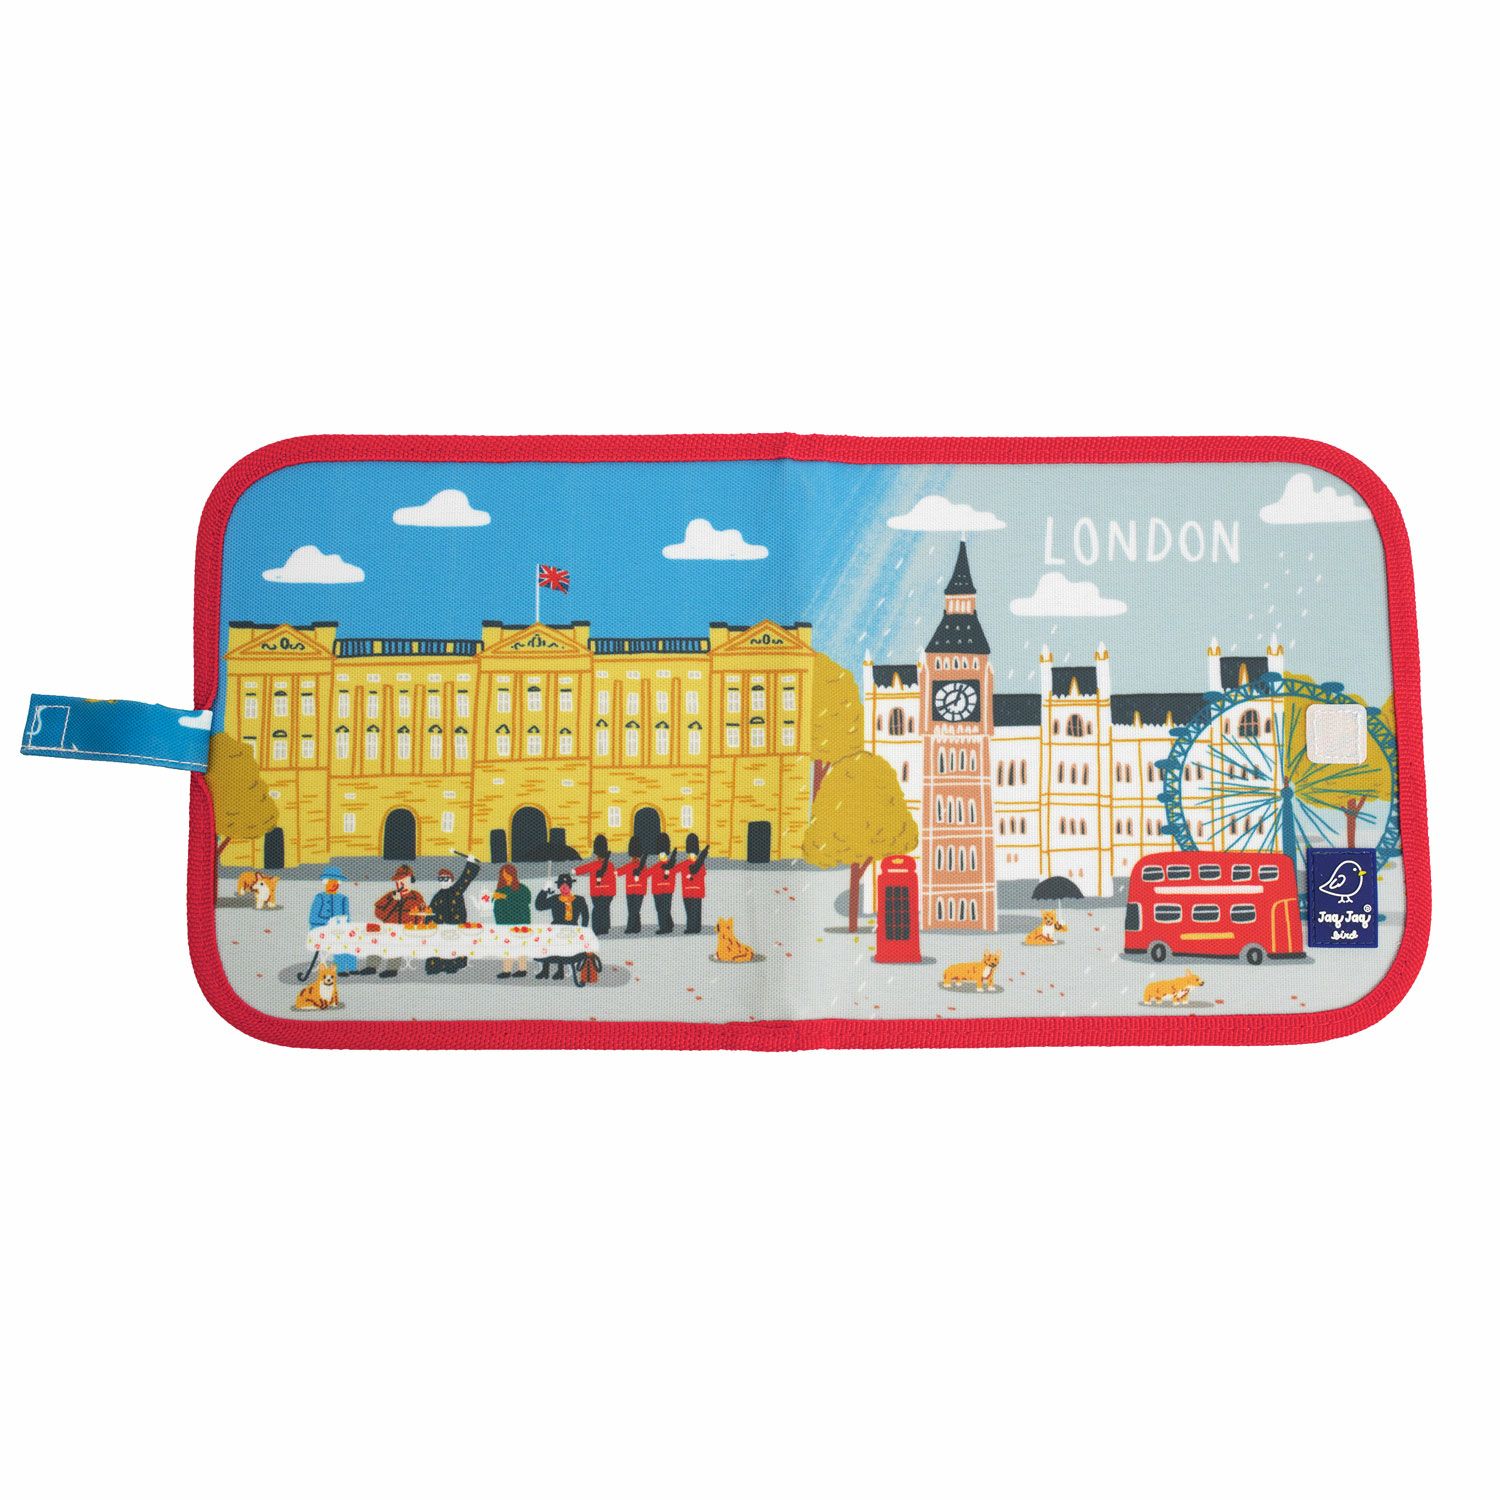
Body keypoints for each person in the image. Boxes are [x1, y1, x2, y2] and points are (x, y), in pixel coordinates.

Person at [425, 853, 482, 975]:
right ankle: (437, 966)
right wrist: (427, 922)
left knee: (454, 946)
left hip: (455, 926)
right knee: (439, 947)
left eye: (446, 879)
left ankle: (453, 965)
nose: (443, 881)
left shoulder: (456, 890)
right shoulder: (437, 895)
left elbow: (466, 878)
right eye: (440, 879)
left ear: (451, 880)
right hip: (439, 928)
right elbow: (430, 911)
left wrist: (471, 863)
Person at [369, 863, 428, 977]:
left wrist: (417, 924)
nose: (401, 885)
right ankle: (371, 966)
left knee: (395, 944)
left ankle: (392, 969)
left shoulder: (416, 896)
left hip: (408, 931)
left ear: (411, 880)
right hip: (389, 929)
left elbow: (422, 914)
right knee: (376, 940)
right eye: (398, 882)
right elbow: (379, 913)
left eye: (404, 881)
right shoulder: (390, 896)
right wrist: (394, 902)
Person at [534, 873, 589, 979]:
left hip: (572, 929)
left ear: (570, 886)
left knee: (563, 947)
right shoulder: (555, 899)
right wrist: (544, 891)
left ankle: (560, 971)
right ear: (558, 887)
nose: (564, 887)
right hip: (556, 928)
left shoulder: (579, 899)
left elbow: (585, 916)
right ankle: (545, 970)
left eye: (566, 885)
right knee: (546, 943)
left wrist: (583, 930)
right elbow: (539, 906)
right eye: (561, 885)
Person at [308, 866, 357, 975]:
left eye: (336, 882)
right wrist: (328, 922)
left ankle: (351, 967)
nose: (335, 884)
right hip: (321, 929)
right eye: (331, 881)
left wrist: (345, 927)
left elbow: (347, 917)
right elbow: (313, 918)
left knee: (349, 939)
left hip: (339, 929)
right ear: (326, 882)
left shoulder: (343, 898)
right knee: (338, 940)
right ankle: (340, 968)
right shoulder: (319, 897)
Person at [490, 863, 532, 978]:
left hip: (520, 923)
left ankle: (522, 969)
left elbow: (525, 900)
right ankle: (507, 970)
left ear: (513, 875)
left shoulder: (522, 888)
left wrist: (505, 897)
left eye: (508, 875)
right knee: (507, 947)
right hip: (504, 924)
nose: (506, 878)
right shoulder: (500, 889)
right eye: (504, 876)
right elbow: (497, 906)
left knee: (520, 946)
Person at [574, 834, 619, 936]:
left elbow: (584, 868)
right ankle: (604, 928)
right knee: (604, 909)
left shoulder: (595, 864)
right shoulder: (610, 865)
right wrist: (612, 892)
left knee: (597, 910)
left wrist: (575, 871)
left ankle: (598, 928)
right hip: (607, 892)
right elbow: (613, 880)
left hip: (596, 892)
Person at [678, 834, 710, 935]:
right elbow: (674, 869)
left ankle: (695, 927)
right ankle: (693, 927)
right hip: (689, 891)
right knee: (691, 911)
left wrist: (690, 876)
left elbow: (702, 873)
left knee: (694, 910)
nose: (692, 856)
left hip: (694, 891)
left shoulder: (698, 864)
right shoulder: (686, 863)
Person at [649, 834, 680, 935]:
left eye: (663, 854)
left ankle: (664, 928)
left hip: (664, 890)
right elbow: (647, 873)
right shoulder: (658, 866)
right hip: (660, 890)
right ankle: (669, 924)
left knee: (662, 910)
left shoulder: (668, 866)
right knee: (664, 909)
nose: (661, 856)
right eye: (660, 854)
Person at [621, 836, 650, 935]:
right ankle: (636, 927)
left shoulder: (642, 866)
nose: (634, 859)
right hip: (630, 890)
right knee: (633, 910)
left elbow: (646, 876)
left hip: (638, 891)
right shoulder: (630, 865)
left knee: (634, 910)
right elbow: (619, 871)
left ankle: (630, 927)